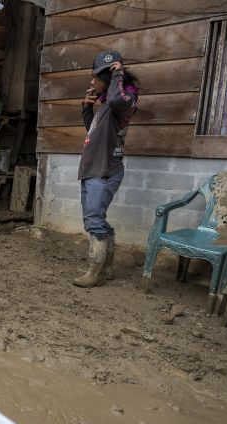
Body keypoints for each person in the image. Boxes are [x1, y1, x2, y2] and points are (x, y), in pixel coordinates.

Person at [74, 50, 138, 288]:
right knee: (94, 219)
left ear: (109, 78)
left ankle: (95, 270)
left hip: (105, 170)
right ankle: (107, 267)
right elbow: (93, 131)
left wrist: (118, 72)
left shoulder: (124, 102)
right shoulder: (107, 110)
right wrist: (86, 108)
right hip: (93, 168)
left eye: (95, 77)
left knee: (93, 220)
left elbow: (116, 99)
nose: (92, 82)